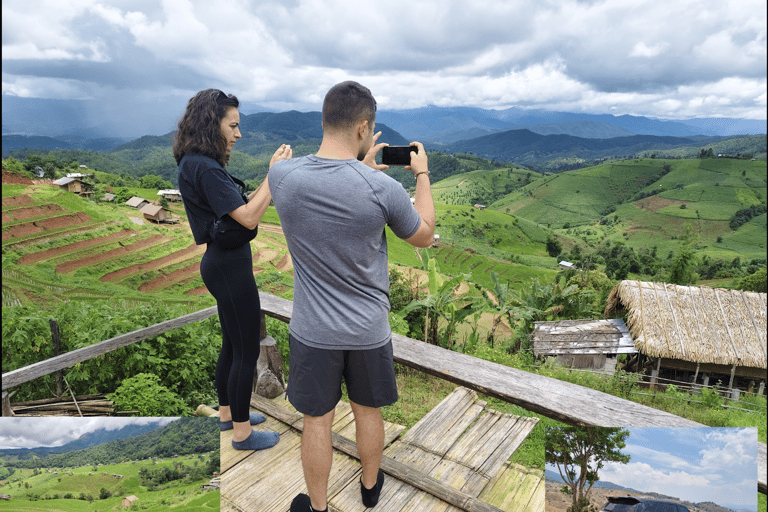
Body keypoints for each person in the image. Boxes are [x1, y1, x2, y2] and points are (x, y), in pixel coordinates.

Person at [269, 81, 435, 512]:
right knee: (367, 412)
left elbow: (326, 181)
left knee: (316, 422)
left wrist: (359, 164)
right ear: (364, 127)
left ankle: (319, 506)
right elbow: (425, 233)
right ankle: (369, 488)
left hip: (312, 331)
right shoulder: (382, 190)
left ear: (325, 120)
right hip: (368, 330)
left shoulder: (282, 177)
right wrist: (421, 173)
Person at [174, 88, 292, 451]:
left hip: (219, 263)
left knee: (231, 344)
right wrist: (275, 175)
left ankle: (227, 415)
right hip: (229, 266)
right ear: (214, 124)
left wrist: (269, 179)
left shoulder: (194, 163)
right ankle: (242, 433)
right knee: (246, 350)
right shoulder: (205, 169)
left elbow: (242, 205)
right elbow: (251, 215)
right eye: (233, 125)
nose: (238, 134)